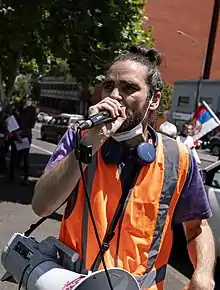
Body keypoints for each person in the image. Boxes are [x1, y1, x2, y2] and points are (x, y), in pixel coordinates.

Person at [32, 45, 215, 290]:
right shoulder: (81, 137)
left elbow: (197, 227)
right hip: (75, 284)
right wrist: (91, 142)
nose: (115, 95)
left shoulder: (178, 157)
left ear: (154, 100)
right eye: (109, 86)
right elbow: (42, 206)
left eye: (129, 88)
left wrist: (203, 274)